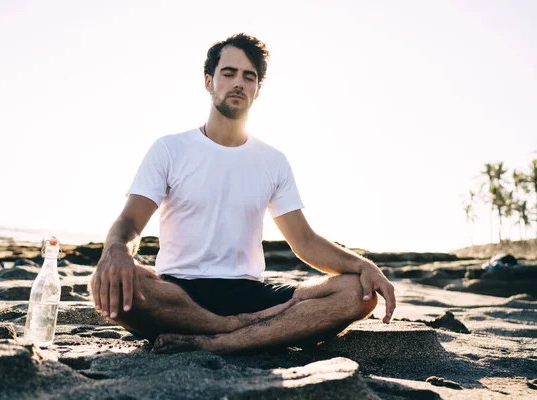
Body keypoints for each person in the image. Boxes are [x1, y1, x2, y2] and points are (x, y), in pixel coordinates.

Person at [89, 33, 396, 354]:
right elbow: (130, 222)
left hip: (251, 294)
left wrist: (364, 267)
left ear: (257, 90)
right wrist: (117, 250)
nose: (239, 82)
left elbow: (304, 241)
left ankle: (219, 343)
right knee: (105, 282)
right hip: (178, 292)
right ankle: (230, 329)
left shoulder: (272, 160)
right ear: (208, 82)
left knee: (354, 292)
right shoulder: (170, 148)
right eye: (229, 73)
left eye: (249, 76)